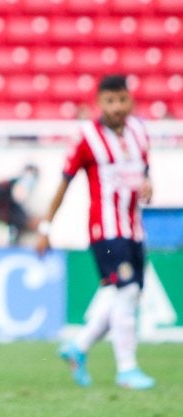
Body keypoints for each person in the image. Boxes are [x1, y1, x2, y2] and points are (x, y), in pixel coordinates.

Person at [35, 75, 156, 390]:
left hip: (134, 229)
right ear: (99, 103)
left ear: (131, 101)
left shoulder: (141, 132)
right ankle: (127, 369)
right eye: (110, 101)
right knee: (126, 291)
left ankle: (78, 347)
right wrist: (47, 227)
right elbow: (64, 183)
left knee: (122, 295)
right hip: (106, 230)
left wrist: (148, 185)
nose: (116, 107)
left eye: (122, 100)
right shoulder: (86, 137)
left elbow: (144, 172)